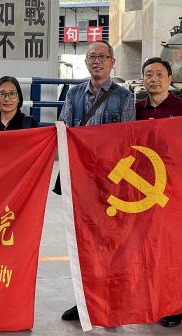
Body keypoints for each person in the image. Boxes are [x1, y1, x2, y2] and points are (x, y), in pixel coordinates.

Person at [58, 40, 136, 323]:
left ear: (112, 62)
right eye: (92, 56)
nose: (97, 61)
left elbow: (127, 141)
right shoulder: (73, 94)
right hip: (80, 181)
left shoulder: (124, 97)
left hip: (110, 183)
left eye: (103, 56)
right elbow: (64, 130)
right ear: (86, 62)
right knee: (82, 241)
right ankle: (83, 300)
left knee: (110, 242)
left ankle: (111, 301)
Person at [134, 56, 182, 328]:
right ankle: (150, 300)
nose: (154, 79)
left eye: (159, 74)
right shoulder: (135, 109)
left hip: (174, 191)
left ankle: (173, 305)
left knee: (172, 250)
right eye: (149, 74)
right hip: (141, 191)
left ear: (169, 78)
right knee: (146, 247)